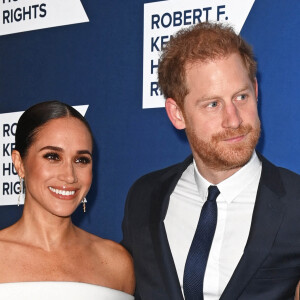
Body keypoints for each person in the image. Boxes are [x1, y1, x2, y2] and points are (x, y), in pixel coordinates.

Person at [122, 22, 300, 300]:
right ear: (177, 113)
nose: (234, 120)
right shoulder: (144, 198)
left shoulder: (296, 202)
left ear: (256, 89)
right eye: (213, 104)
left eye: (241, 96)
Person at [0, 101, 135, 299]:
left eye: (81, 160)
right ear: (19, 163)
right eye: (53, 156)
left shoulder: (117, 263)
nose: (69, 176)